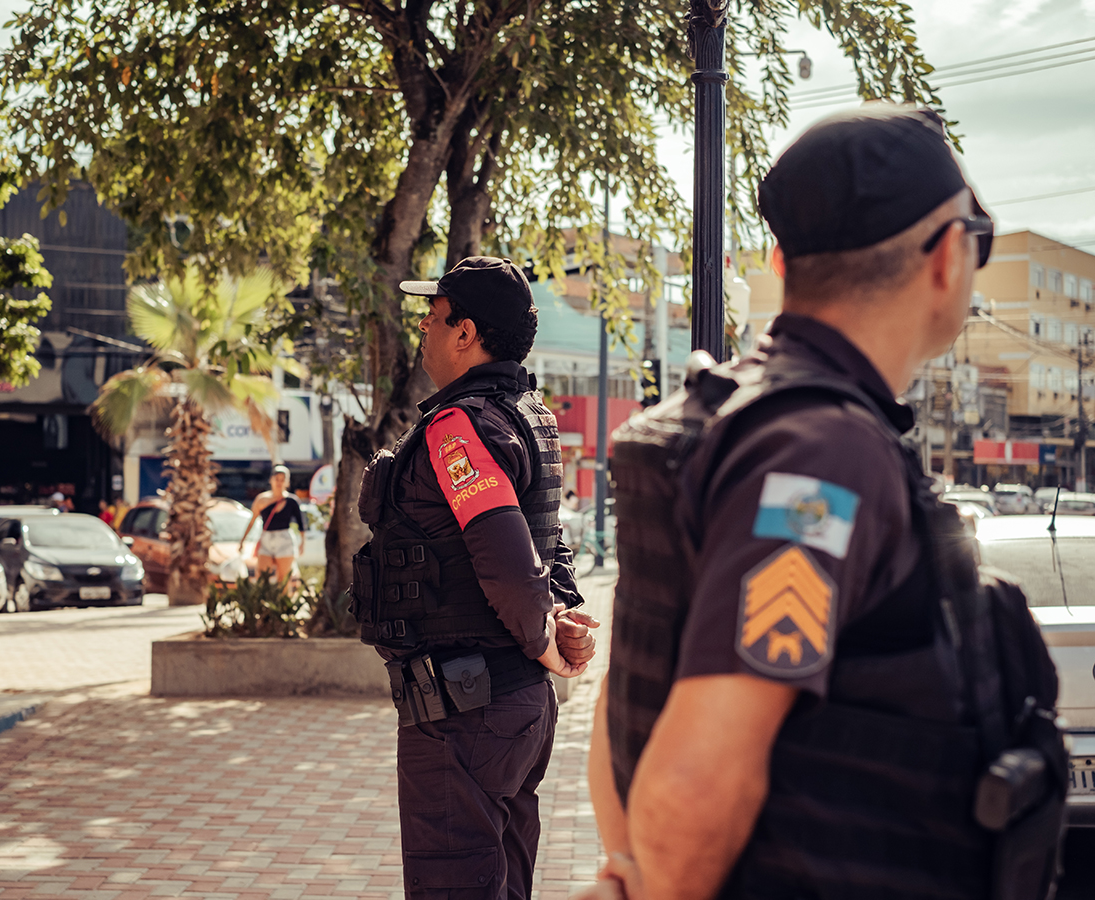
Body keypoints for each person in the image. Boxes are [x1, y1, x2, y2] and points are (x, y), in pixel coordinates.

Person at [577, 105, 1066, 900]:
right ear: (946, 257)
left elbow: (632, 690)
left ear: (780, 258)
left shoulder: (713, 422)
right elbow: (699, 773)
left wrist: (632, 869)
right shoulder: (820, 458)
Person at [350, 256, 600, 899]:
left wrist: (545, 638)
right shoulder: (528, 413)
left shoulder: (460, 427)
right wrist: (562, 622)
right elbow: (550, 537)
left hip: (464, 713)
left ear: (465, 334)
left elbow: (507, 554)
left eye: (432, 320)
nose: (423, 333)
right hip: (514, 707)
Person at [239, 465, 306, 589]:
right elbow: (252, 521)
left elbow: (301, 524)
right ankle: (263, 606)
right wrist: (242, 540)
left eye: (282, 479)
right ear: (271, 480)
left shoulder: (292, 501)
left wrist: (302, 543)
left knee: (284, 580)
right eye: (277, 479)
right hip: (266, 540)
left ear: (287, 482)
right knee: (262, 577)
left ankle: (284, 607)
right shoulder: (261, 499)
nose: (279, 482)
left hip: (285, 539)